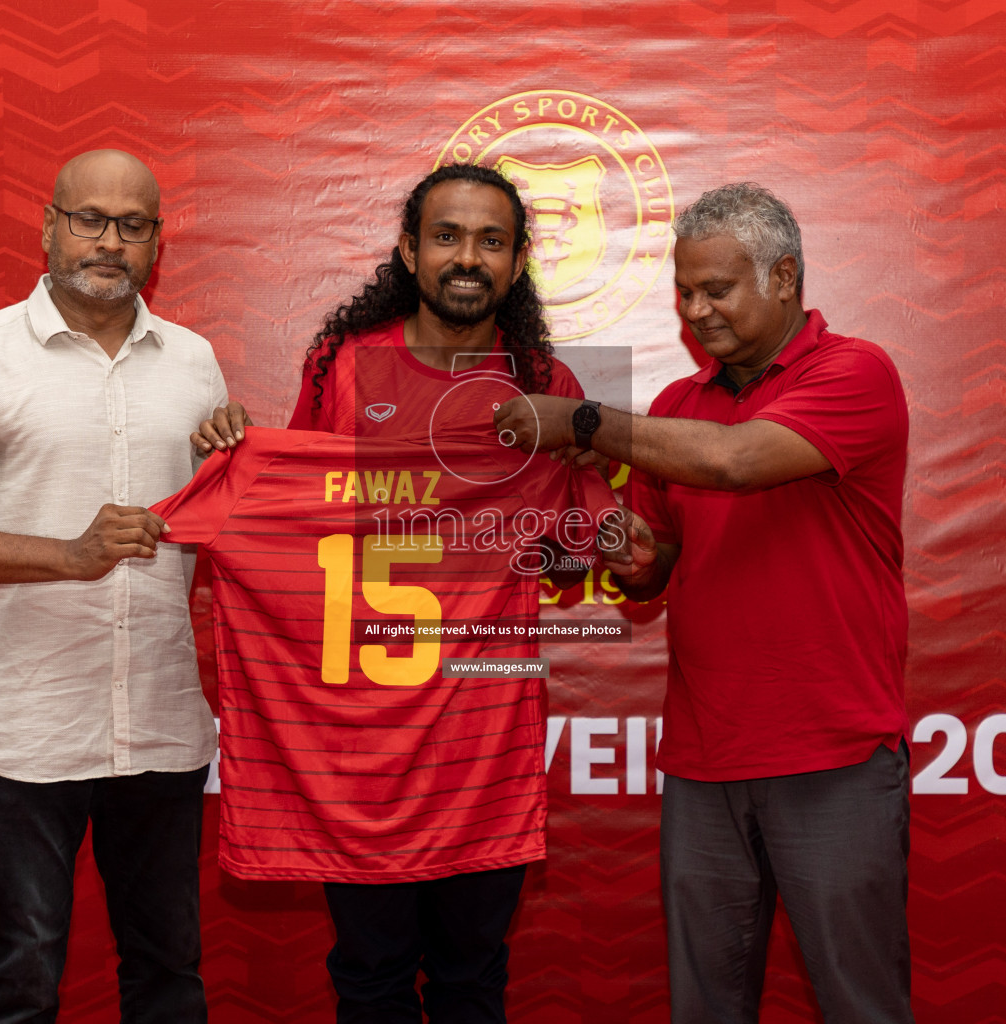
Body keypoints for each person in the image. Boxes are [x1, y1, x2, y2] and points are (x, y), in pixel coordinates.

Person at [494, 182, 914, 1024]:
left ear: (785, 276)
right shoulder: (678, 409)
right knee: (705, 1009)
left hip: (829, 754)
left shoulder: (856, 372)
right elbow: (656, 570)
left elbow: (735, 462)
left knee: (861, 1005)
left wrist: (577, 421)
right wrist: (634, 557)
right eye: (684, 291)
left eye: (716, 289)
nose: (695, 310)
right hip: (702, 760)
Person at [194, 163, 605, 1024]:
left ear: (519, 260)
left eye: (492, 241)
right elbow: (304, 533)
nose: (468, 258)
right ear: (409, 251)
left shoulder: (550, 385)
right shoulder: (345, 365)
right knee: (372, 976)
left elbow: (574, 564)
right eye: (447, 236)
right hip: (361, 743)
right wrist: (233, 466)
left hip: (480, 744)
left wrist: (587, 483)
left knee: (471, 979)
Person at [0, 149, 226, 1023]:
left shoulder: (194, 363)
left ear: (158, 241)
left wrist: (236, 467)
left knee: (168, 973)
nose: (109, 242)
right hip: (31, 730)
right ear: (49, 224)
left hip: (161, 724)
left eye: (133, 225)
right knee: (23, 976)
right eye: (89, 220)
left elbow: (218, 522)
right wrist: (69, 556)